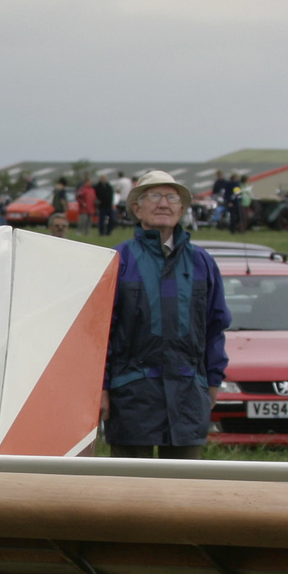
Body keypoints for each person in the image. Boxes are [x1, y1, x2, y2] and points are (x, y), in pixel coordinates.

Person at [101, 171, 230, 460]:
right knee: (131, 492)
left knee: (182, 495)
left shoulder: (202, 262)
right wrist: (102, 388)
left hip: (188, 393)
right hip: (132, 396)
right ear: (137, 208)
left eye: (172, 198)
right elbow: (99, 332)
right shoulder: (117, 260)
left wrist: (212, 382)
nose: (164, 204)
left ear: (182, 210)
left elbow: (215, 325)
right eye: (155, 196)